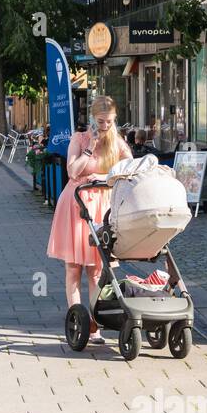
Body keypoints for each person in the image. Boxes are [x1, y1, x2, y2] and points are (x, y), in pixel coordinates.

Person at [47, 96, 132, 342]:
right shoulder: (79, 138)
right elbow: (72, 171)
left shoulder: (116, 142)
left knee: (96, 271)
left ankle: (94, 325)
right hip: (77, 205)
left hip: (101, 208)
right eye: (101, 121)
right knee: (73, 269)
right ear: (92, 119)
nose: (105, 126)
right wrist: (90, 147)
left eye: (109, 121)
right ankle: (76, 320)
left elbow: (130, 166)